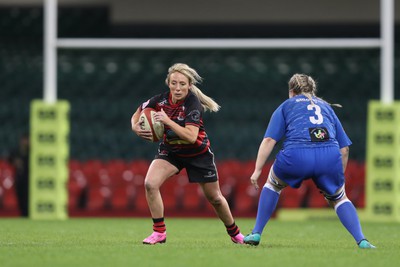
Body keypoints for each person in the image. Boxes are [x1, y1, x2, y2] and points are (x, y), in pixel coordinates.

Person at [243, 74, 375, 249]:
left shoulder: (286, 106)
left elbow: (269, 140)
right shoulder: (327, 107)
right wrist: (338, 175)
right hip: (329, 156)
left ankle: (257, 232)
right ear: (313, 90)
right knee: (339, 198)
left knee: (273, 185)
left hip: (296, 155)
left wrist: (257, 169)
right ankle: (362, 240)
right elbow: (345, 149)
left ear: (291, 91)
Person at [131, 63, 244, 245]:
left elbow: (191, 137)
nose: (177, 88)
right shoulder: (159, 101)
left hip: (198, 153)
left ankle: (236, 234)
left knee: (215, 198)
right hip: (172, 151)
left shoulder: (193, 103)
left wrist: (168, 121)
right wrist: (135, 127)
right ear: (168, 83)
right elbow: (138, 111)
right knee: (150, 184)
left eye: (182, 84)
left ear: (189, 85)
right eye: (174, 83)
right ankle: (159, 233)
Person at [8, 133, 30, 217]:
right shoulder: (17, 151)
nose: (26, 142)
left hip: (29, 179)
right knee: (20, 198)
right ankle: (23, 215)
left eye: (27, 140)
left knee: (28, 198)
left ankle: (28, 215)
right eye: (25, 140)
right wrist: (15, 161)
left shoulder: (31, 152)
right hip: (20, 179)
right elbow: (10, 158)